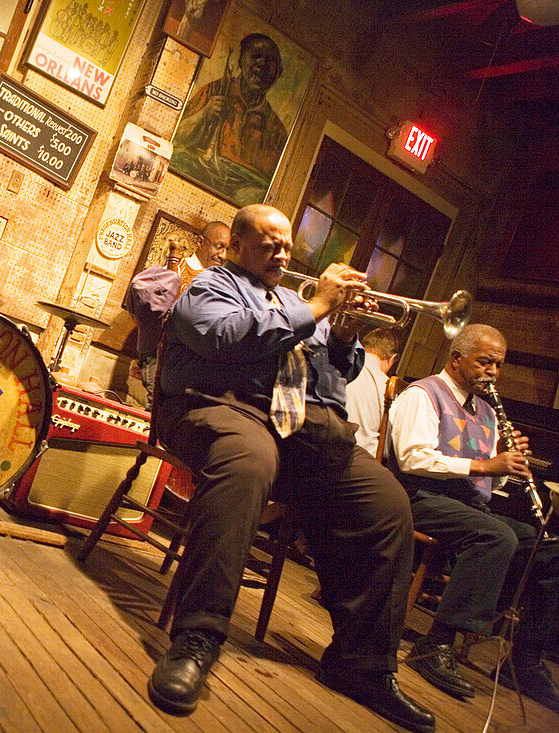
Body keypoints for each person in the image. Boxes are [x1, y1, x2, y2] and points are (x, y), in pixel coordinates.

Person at [148, 204, 433, 733]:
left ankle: (362, 664)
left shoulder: (295, 302)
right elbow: (225, 338)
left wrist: (344, 333)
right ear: (235, 245)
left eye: (286, 244)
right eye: (268, 242)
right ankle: (198, 637)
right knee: (248, 464)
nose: (282, 252)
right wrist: (321, 303)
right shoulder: (210, 286)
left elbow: (334, 375)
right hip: (221, 406)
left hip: (299, 431)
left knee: (389, 504)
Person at [388, 324, 559, 710]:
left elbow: (487, 481)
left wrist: (505, 464)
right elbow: (412, 458)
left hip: (465, 504)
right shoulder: (424, 393)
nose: (492, 373)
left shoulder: (485, 410)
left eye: (498, 365)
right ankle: (437, 643)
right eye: (485, 362)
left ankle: (525, 660)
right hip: (417, 496)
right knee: (497, 536)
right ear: (456, 358)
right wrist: (487, 464)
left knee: (551, 551)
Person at [171, 33, 289, 206]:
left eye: (270, 61)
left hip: (242, 192)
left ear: (278, 73)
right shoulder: (215, 90)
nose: (262, 64)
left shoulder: (276, 130)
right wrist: (204, 113)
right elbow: (177, 137)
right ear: (241, 60)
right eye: (256, 56)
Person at [127, 221, 229, 410]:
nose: (222, 255)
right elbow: (145, 310)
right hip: (161, 357)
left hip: (192, 364)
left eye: (227, 250)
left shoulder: (220, 282)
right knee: (157, 410)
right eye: (218, 247)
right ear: (200, 242)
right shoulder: (174, 270)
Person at [345, 328, 400, 458]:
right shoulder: (389, 388)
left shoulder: (342, 363)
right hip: (360, 459)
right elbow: (386, 448)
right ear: (392, 359)